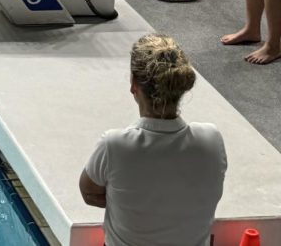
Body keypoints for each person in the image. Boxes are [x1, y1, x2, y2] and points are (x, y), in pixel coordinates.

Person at [79, 34, 226, 245]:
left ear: (133, 85)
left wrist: (132, 205)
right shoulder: (211, 138)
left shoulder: (114, 144)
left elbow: (89, 193)